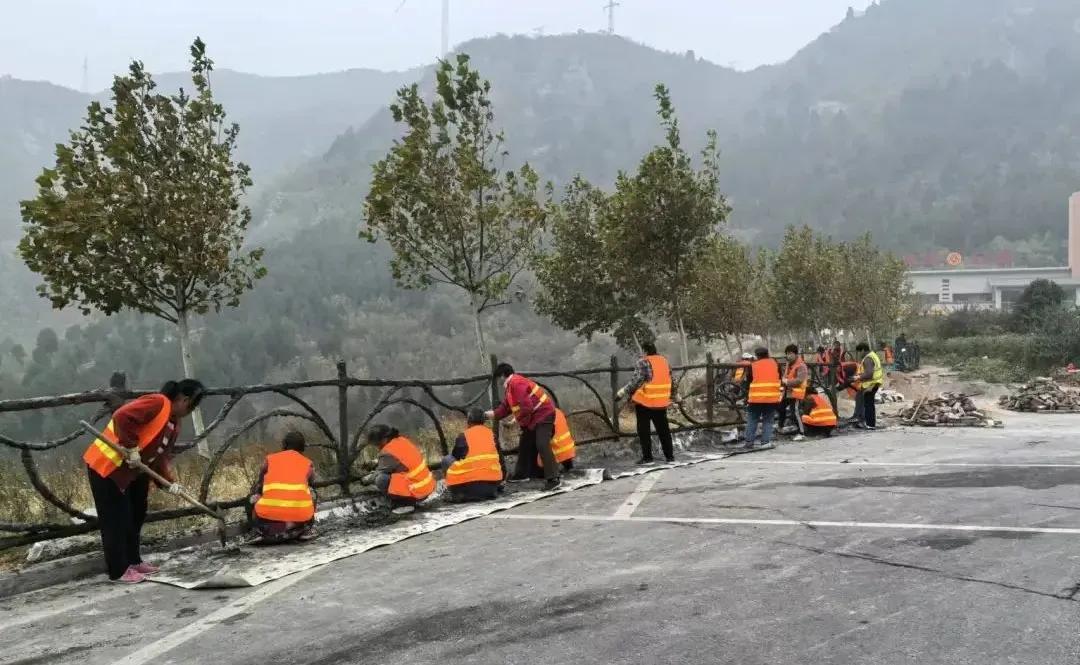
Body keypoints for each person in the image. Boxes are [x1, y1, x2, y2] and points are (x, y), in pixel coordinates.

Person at [83, 378, 205, 583]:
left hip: (135, 471)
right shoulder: (157, 403)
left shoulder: (173, 421)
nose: (191, 409)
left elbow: (161, 456)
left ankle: (133, 561)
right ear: (185, 399)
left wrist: (169, 483)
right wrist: (130, 447)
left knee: (136, 514)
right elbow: (122, 416)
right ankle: (119, 570)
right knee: (116, 519)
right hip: (108, 466)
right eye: (193, 404)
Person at [485, 363, 562, 490]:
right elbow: (506, 408)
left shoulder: (516, 384)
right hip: (534, 417)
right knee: (526, 442)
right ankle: (522, 474)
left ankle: (553, 478)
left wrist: (519, 422)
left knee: (542, 444)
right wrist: (490, 415)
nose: (498, 382)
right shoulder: (511, 388)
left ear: (503, 376)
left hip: (544, 414)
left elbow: (527, 407)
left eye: (499, 379)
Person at [249, 431, 317, 543]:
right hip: (297, 524)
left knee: (254, 495)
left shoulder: (270, 459)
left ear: (284, 445)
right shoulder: (307, 463)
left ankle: (257, 531)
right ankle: (306, 530)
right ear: (303, 447)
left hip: (268, 527)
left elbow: (260, 482)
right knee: (312, 492)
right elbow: (312, 481)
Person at [616, 341, 674, 465]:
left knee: (644, 430)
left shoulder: (643, 362)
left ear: (645, 351)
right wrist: (674, 394)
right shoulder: (664, 360)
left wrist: (622, 392)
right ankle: (670, 456)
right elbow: (671, 378)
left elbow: (637, 380)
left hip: (646, 401)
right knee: (663, 429)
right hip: (661, 400)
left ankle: (648, 458)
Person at [366, 424, 436, 514]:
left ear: (383, 439)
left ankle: (405, 504)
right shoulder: (402, 440)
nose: (377, 446)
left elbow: (380, 472)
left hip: (416, 490)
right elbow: (400, 460)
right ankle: (407, 501)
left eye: (376, 444)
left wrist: (365, 480)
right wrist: (376, 462)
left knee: (381, 479)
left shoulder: (387, 452)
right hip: (427, 486)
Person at [443, 409, 503, 502]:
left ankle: (453, 493)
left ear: (469, 421)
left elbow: (456, 456)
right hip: (491, 487)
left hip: (467, 487)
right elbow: (501, 461)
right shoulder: (492, 435)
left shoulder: (463, 436)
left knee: (447, 459)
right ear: (484, 421)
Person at [743, 347, 782, 448]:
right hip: (771, 398)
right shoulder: (775, 364)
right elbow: (779, 378)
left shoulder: (753, 366)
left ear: (757, 356)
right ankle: (765, 442)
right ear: (767, 354)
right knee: (768, 420)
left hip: (755, 398)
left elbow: (748, 382)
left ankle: (749, 442)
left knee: (752, 419)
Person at [778, 344, 808, 441]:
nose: (788, 356)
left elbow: (799, 380)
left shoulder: (801, 366)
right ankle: (780, 427)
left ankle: (801, 433)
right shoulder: (789, 365)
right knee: (780, 407)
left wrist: (787, 381)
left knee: (795, 412)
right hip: (787, 392)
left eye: (790, 353)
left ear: (795, 354)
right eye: (787, 353)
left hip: (796, 393)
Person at [855, 341, 885, 430]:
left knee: (868, 405)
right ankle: (870, 424)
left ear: (863, 350)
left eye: (860, 352)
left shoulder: (868, 358)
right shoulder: (873, 355)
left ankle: (870, 425)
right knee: (869, 404)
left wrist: (857, 377)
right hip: (875, 383)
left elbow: (869, 374)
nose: (859, 354)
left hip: (870, 385)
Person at [538, 408, 576, 474]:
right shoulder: (557, 411)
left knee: (541, 446)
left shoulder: (542, 415)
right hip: (567, 447)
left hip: (557, 447)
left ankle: (549, 471)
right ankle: (568, 466)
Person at [838, 359, 865, 425]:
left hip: (862, 379)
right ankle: (858, 416)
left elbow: (848, 381)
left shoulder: (847, 367)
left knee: (861, 399)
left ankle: (860, 417)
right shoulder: (843, 368)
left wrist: (841, 387)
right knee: (859, 399)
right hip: (859, 380)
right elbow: (848, 382)